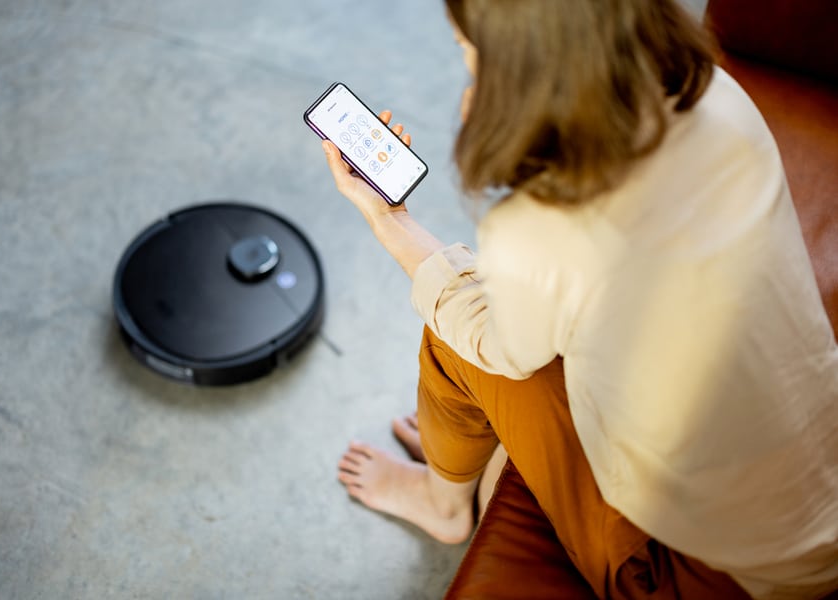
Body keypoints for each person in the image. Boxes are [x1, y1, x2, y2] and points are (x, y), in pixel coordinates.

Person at [320, 0, 838, 598]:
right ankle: (465, 452)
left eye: (471, 54)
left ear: (527, 69)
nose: (469, 77)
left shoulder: (545, 223)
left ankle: (443, 502)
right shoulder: (718, 97)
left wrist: (392, 224)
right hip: (817, 490)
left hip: (701, 577)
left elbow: (495, 342)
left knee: (455, 329)